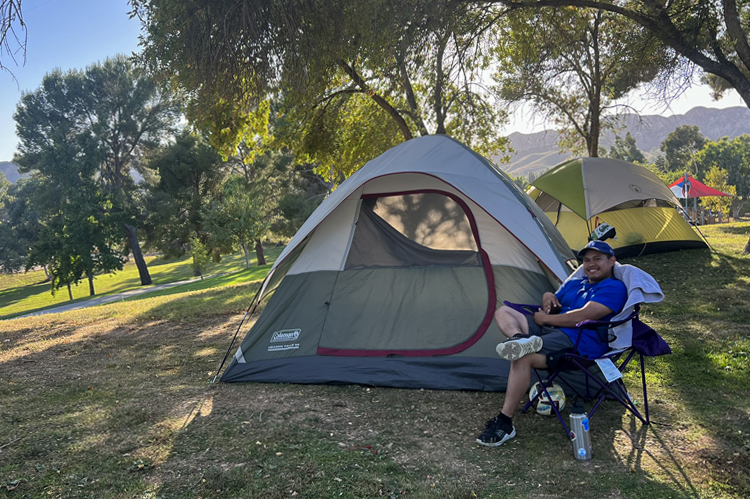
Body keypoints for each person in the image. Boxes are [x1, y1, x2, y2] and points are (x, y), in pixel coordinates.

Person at [476, 240, 627, 447]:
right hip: (551, 333)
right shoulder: (577, 283)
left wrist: (546, 320)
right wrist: (548, 296)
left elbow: (585, 315)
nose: (591, 264)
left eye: (597, 259)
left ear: (612, 261)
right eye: (586, 260)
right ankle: (519, 340)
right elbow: (555, 298)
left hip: (578, 343)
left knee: (522, 357)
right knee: (504, 311)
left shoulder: (614, 287)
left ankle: (504, 422)